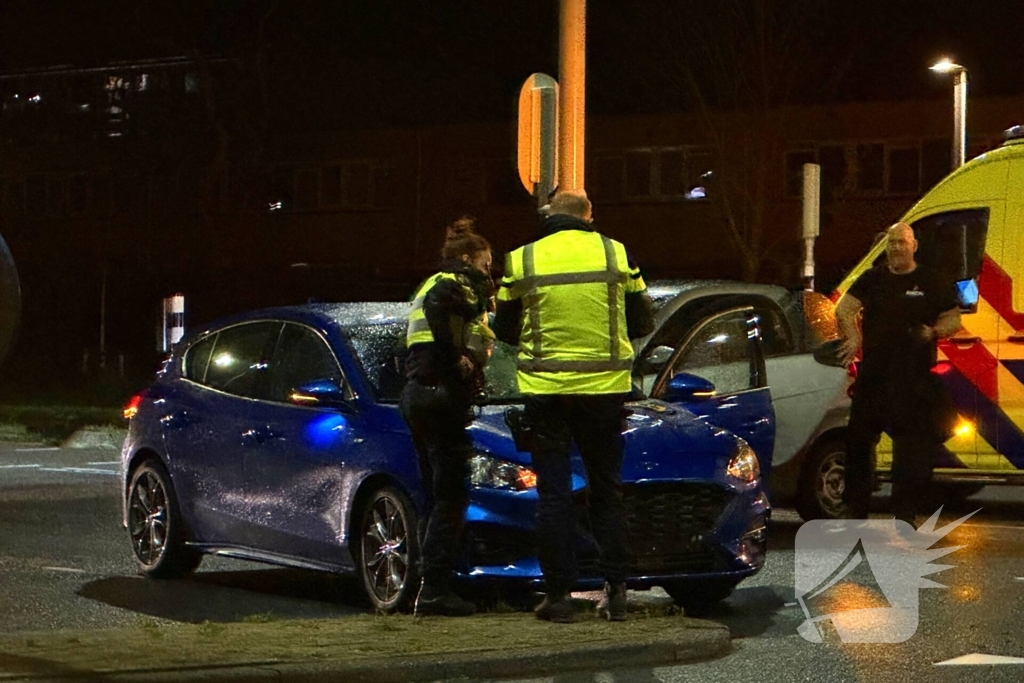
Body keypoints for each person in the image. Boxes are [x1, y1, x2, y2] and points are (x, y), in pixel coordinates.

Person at [492, 189, 655, 623]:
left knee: (554, 495)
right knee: (606, 490)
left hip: (547, 392)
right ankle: (617, 592)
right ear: (588, 215)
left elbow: (504, 328)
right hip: (605, 390)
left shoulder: (522, 259)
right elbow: (642, 320)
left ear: (550, 215)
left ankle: (559, 597)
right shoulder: (615, 252)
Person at [836, 221, 961, 526]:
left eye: (902, 243)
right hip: (875, 377)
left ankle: (904, 516)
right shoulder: (873, 279)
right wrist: (853, 337)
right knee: (858, 443)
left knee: (911, 453)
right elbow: (844, 308)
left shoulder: (932, 280)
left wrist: (933, 332)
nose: (896, 249)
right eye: (892, 243)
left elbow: (953, 319)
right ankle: (856, 511)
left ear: (914, 245)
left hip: (913, 379)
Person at [401, 217, 495, 617]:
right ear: (468, 258)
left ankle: (425, 584)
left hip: (418, 395)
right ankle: (436, 589)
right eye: (486, 266)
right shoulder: (451, 285)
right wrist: (456, 358)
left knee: (434, 496)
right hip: (440, 396)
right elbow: (444, 311)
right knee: (451, 498)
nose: (488, 273)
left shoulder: (427, 285)